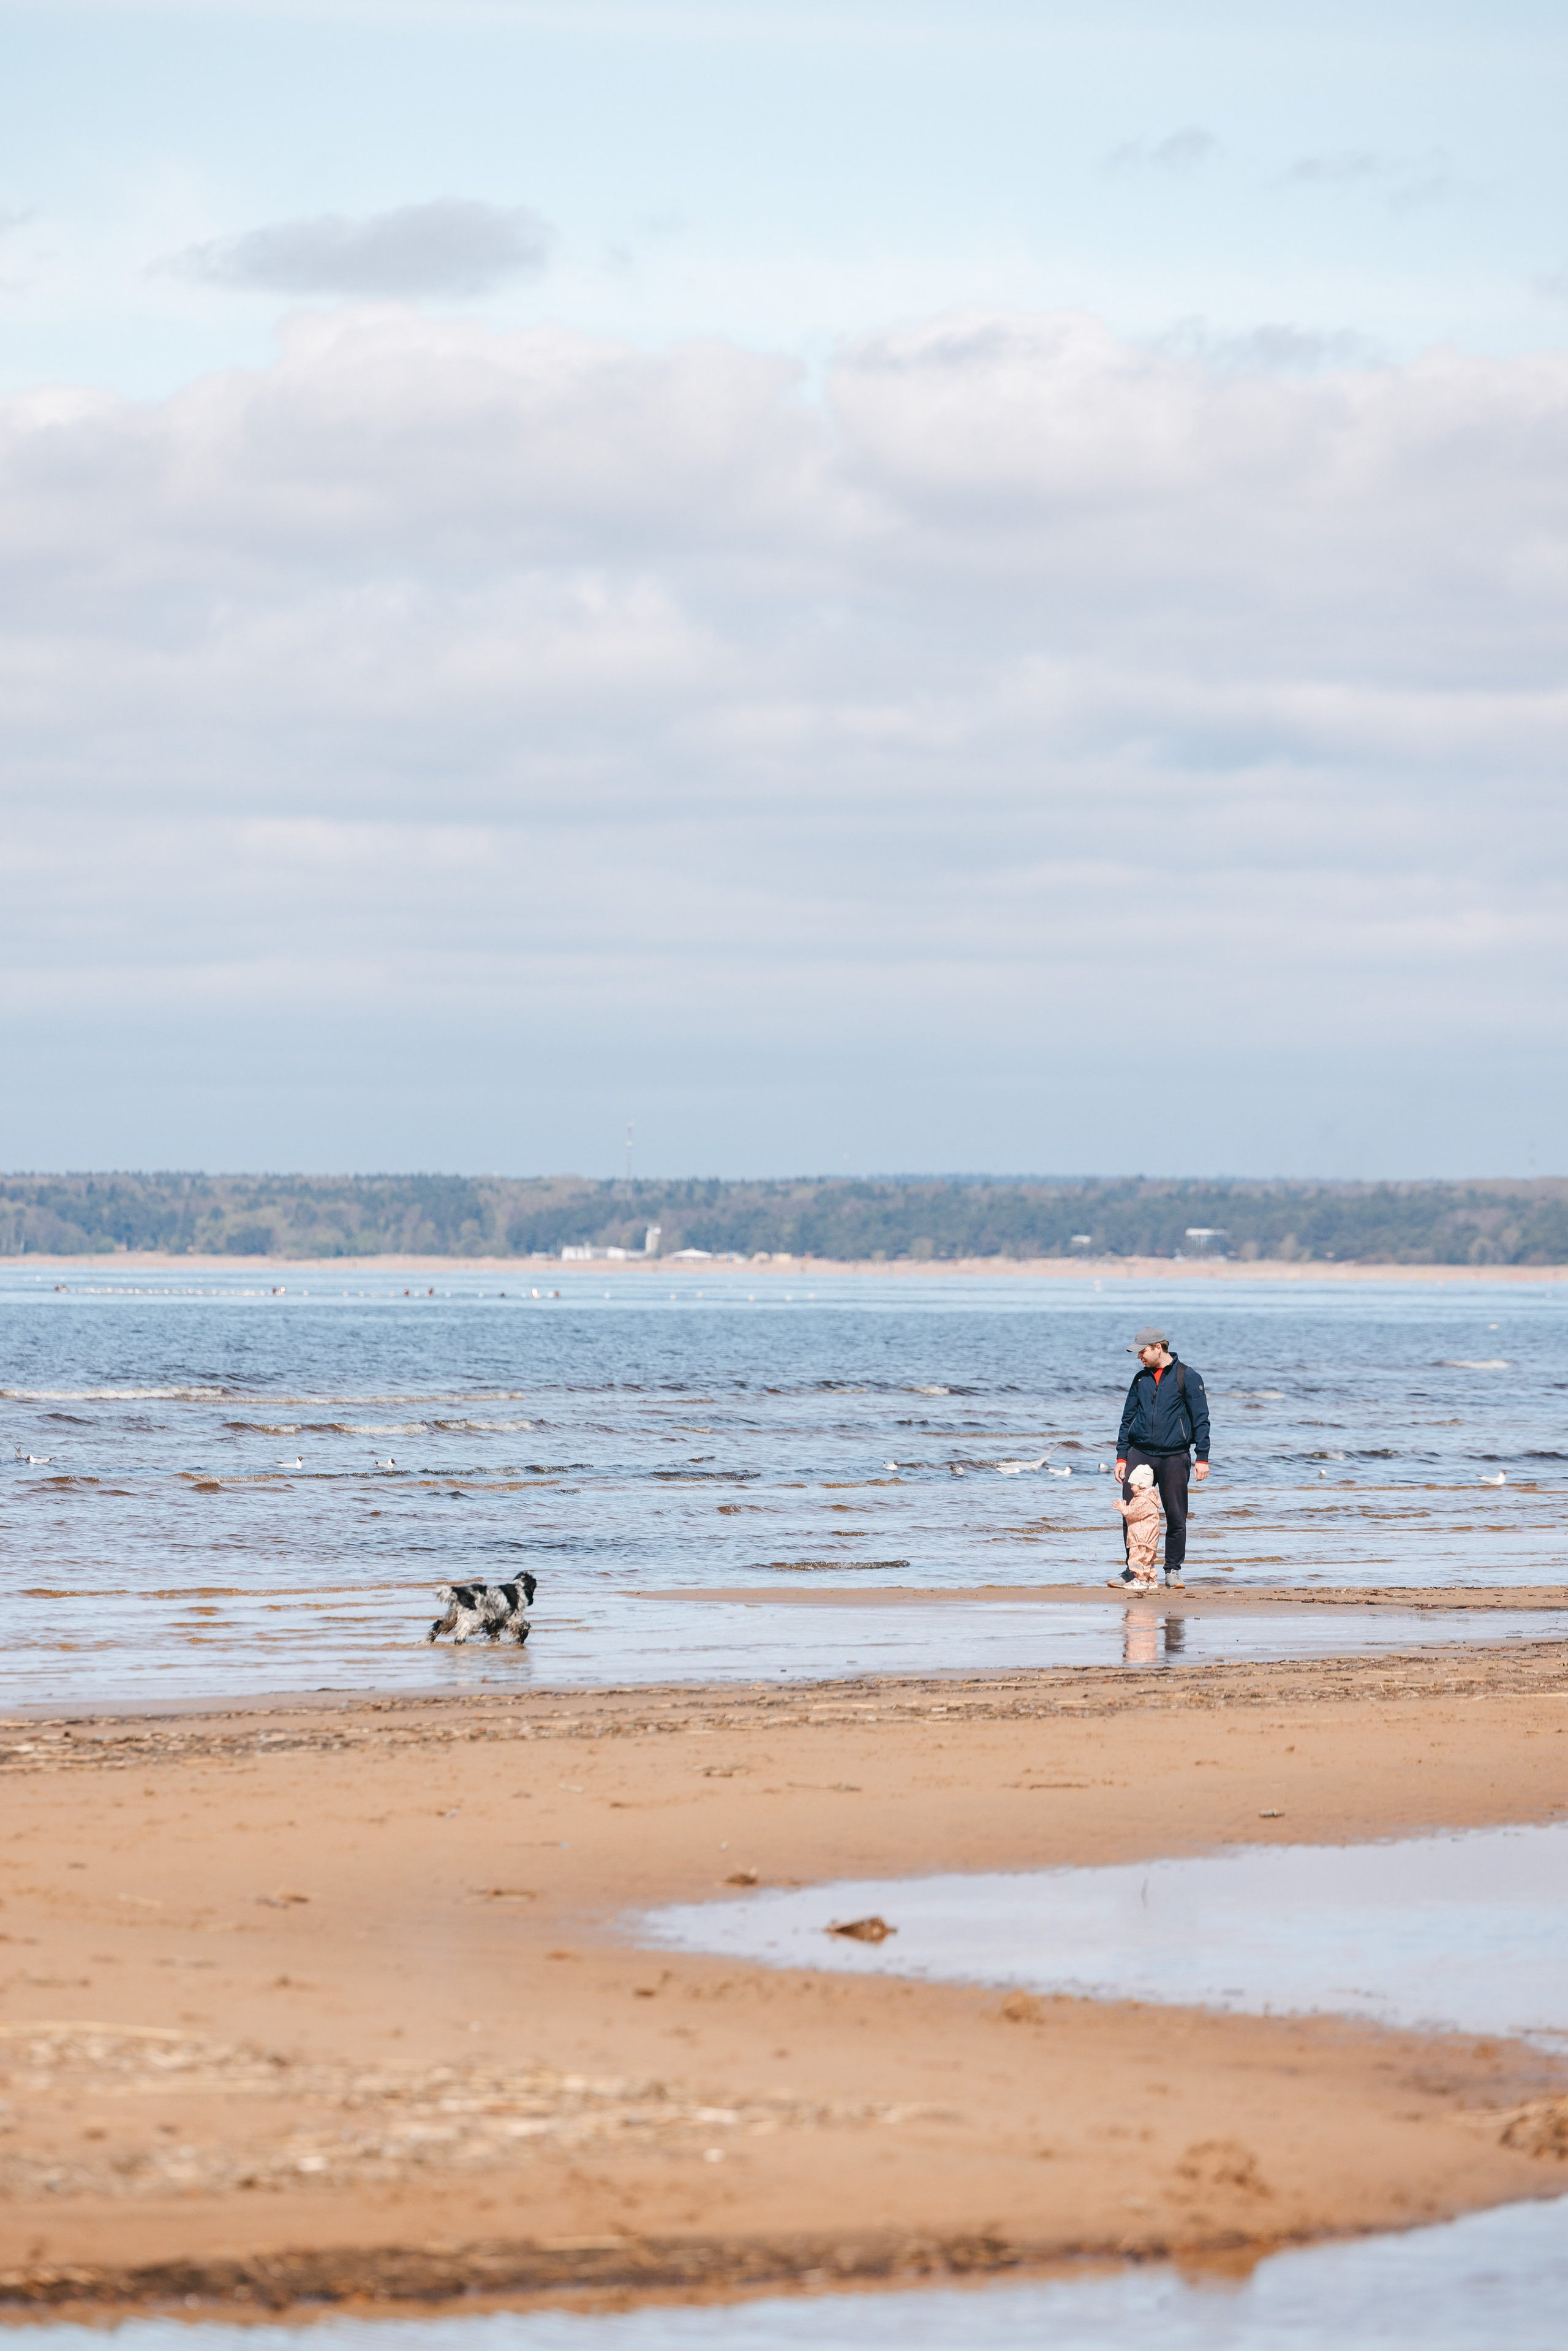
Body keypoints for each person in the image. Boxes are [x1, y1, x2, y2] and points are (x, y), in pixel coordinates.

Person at [1112, 1325, 1210, 1591]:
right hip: (1140, 1453)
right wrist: (1122, 1456)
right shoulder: (1140, 1380)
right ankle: (1134, 1570)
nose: (1138, 1357)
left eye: (1142, 1351)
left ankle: (1173, 1571)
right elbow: (1127, 1419)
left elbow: (1202, 1420)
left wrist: (1202, 1456)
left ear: (1159, 1347)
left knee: (1176, 1516)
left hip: (1174, 1456)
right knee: (1131, 1515)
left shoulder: (1187, 1377)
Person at [1109, 1462, 1161, 1591]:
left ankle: (1141, 1580)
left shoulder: (1143, 1500)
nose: (1131, 1488)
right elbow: (1138, 1513)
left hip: (1141, 1538)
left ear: (1142, 1485)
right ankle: (1150, 1580)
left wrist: (1123, 1509)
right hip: (1148, 1537)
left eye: (1133, 1485)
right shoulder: (1148, 1498)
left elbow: (1133, 1514)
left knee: (1138, 1559)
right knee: (1148, 1560)